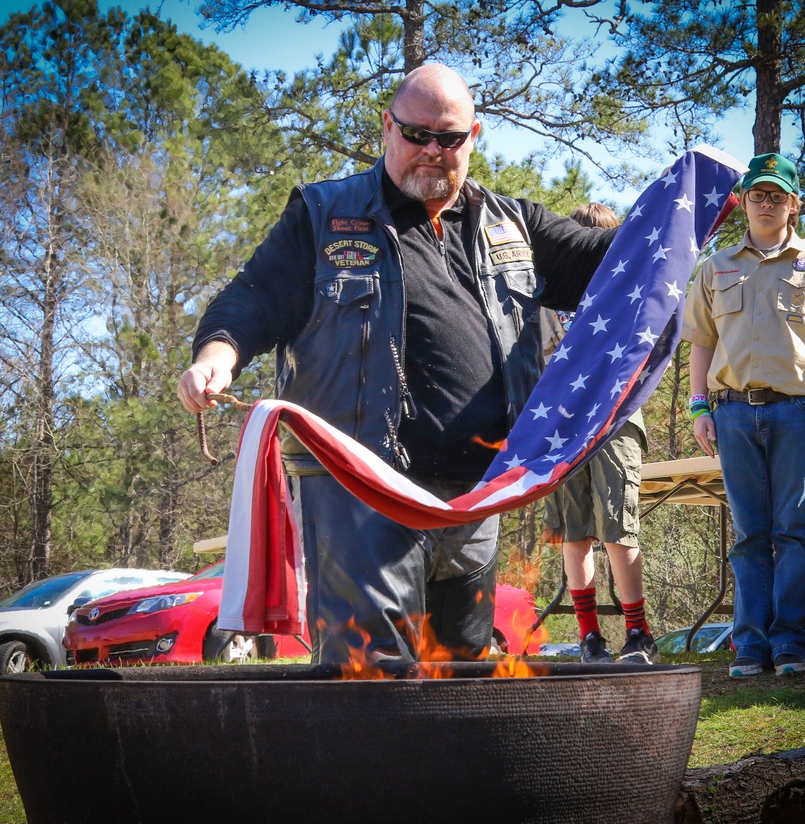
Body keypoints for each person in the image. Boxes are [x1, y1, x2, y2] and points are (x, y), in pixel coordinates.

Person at [177, 64, 619, 666]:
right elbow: (251, 297)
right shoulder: (323, 213)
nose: (432, 152)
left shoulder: (513, 223)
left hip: (477, 498)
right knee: (370, 678)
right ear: (387, 127)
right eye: (416, 134)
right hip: (362, 493)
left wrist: (693, 204)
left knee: (460, 671)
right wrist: (216, 357)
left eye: (450, 138)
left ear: (474, 137)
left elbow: (614, 258)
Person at [682, 152, 805, 677]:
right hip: (734, 414)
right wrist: (699, 407)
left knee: (791, 530)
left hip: (798, 414)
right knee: (748, 534)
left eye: (777, 195)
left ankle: (789, 644)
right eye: (758, 194)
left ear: (794, 205)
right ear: (743, 202)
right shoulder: (716, 265)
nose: (767, 204)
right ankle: (749, 646)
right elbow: (700, 342)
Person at [539, 203, 659, 665]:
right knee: (574, 531)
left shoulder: (632, 293)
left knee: (617, 527)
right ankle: (590, 636)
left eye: (600, 242)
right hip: (562, 425)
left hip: (616, 421)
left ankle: (637, 632)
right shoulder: (548, 295)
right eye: (578, 240)